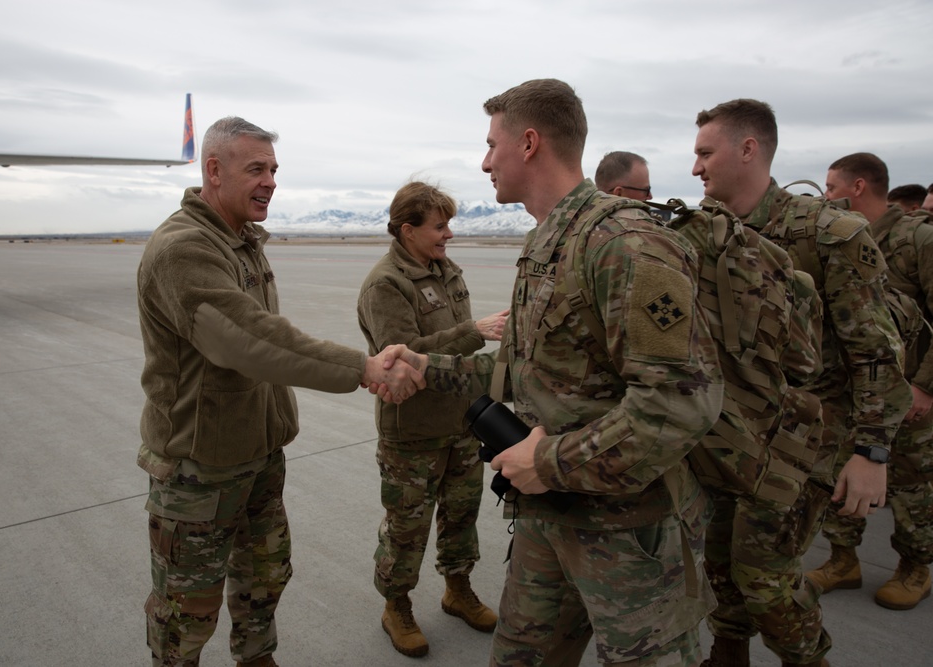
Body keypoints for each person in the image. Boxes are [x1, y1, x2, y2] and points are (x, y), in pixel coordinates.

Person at [387, 78, 724, 667]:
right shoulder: (548, 241)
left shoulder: (623, 242)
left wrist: (547, 462)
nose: (485, 160)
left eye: (493, 144)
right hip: (550, 522)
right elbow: (523, 373)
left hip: (627, 535)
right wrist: (427, 365)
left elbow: (678, 404)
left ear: (530, 143)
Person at [137, 116, 423, 667]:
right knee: (185, 609)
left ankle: (257, 658)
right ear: (214, 171)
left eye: (273, 169)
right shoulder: (184, 249)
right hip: (200, 468)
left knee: (264, 577)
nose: (270, 181)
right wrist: (362, 367)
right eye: (256, 169)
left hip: (260, 456)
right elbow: (245, 339)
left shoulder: (241, 241)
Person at [690, 99, 911, 667]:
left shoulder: (830, 234)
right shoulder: (707, 232)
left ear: (748, 149)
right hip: (728, 431)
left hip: (805, 437)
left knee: (763, 573)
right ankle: (728, 649)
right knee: (717, 557)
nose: (696, 169)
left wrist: (872, 450)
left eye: (705, 153)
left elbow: (876, 350)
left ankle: (807, 658)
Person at [356, 181, 509, 657]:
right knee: (407, 527)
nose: (449, 234)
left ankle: (457, 589)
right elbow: (400, 360)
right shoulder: (387, 284)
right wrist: (474, 331)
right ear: (409, 231)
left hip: (464, 421)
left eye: (449, 224)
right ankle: (396, 606)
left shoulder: (445, 270)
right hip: (414, 432)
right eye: (440, 226)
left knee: (462, 516)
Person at [810, 152, 933, 610]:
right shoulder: (841, 240)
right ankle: (844, 559)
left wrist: (925, 386)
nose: (825, 198)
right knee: (839, 477)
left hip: (908, 393)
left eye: (831, 188)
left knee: (911, 484)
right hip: (851, 392)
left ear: (858, 187)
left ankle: (914, 567)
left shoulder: (917, 238)